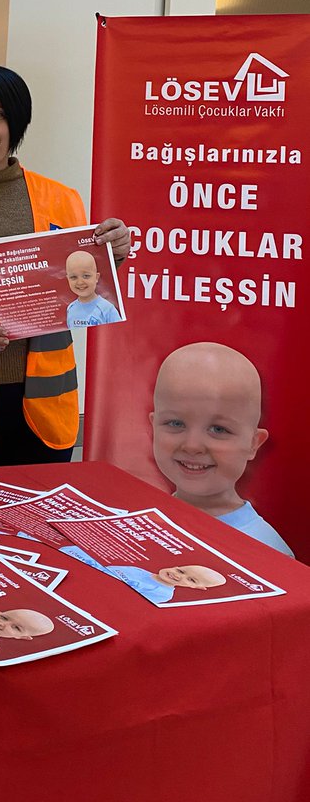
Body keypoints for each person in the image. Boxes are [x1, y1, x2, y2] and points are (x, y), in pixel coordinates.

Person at [0, 65, 130, 469]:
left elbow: (83, 293)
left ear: (18, 122)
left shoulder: (62, 200)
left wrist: (112, 256)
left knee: (39, 529)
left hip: (45, 408)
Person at [151, 342, 293, 556]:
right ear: (153, 426)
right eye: (175, 423)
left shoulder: (269, 554)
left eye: (218, 429)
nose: (192, 446)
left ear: (254, 443)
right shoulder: (139, 521)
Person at [104, 563, 226, 606]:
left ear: (197, 587)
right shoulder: (139, 570)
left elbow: (126, 602)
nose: (178, 575)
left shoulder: (162, 593)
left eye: (191, 580)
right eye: (180, 571)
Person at [65, 250, 122, 329]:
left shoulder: (107, 309)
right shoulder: (71, 308)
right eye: (73, 277)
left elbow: (119, 333)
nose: (80, 282)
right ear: (68, 279)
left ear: (96, 277)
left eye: (86, 276)